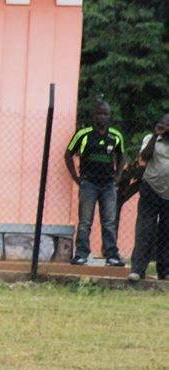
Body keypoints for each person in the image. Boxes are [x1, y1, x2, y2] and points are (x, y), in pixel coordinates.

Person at [65, 101, 125, 266]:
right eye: (99, 113)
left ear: (109, 116)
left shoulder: (116, 136)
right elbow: (68, 154)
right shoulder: (83, 134)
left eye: (105, 114)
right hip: (89, 184)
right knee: (85, 221)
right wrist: (75, 177)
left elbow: (122, 156)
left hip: (108, 186)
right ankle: (81, 254)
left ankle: (111, 255)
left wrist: (117, 177)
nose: (102, 117)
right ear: (94, 115)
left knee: (109, 222)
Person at [128, 113, 169, 281]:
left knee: (166, 233)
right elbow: (144, 157)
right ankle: (138, 270)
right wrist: (156, 135)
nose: (165, 128)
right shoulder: (150, 139)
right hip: (151, 190)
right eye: (162, 125)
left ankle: (165, 271)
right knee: (145, 230)